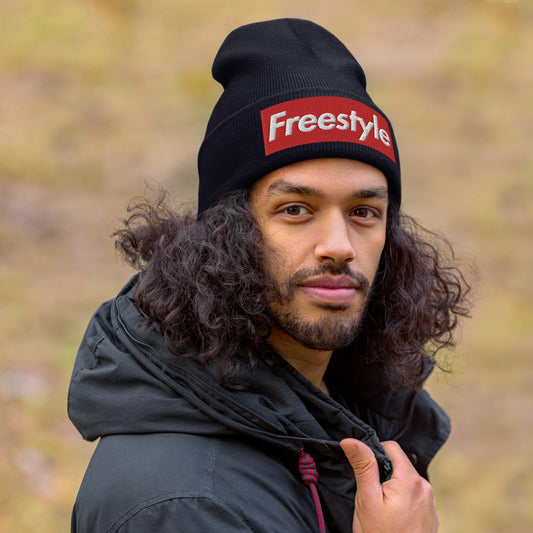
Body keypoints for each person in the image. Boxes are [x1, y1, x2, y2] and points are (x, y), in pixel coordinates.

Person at [68, 18, 471, 532]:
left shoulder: (348, 406)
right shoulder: (184, 505)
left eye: (364, 212)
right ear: (226, 232)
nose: (339, 246)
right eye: (296, 209)